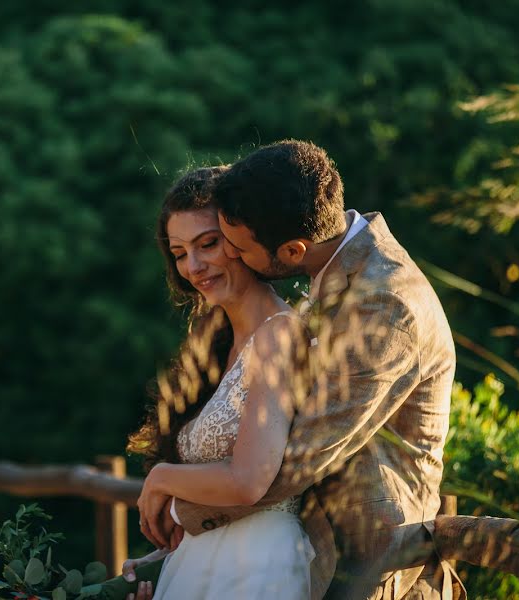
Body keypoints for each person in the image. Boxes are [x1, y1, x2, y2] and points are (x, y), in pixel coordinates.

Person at [141, 139, 464, 599]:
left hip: (371, 555)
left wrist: (179, 512)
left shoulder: (384, 302)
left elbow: (296, 459)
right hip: (297, 545)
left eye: (229, 245)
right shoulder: (335, 272)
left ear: (291, 251)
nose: (224, 256)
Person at [116, 165, 328, 600]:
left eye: (207, 244)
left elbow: (249, 481)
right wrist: (166, 564)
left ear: (242, 239)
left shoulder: (279, 335)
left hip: (256, 565)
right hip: (210, 564)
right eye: (179, 253)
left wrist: (161, 477)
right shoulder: (218, 346)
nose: (193, 266)